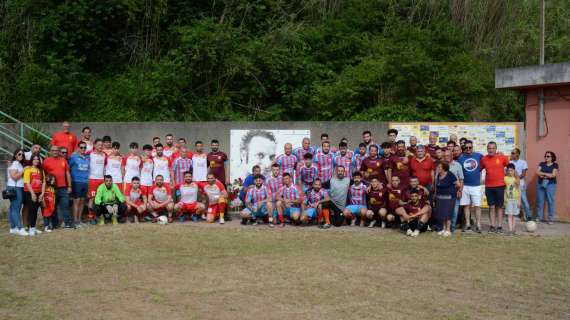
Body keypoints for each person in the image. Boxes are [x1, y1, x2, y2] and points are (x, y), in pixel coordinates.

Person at [481, 141, 509, 233]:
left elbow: (510, 167)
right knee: (491, 207)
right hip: (489, 187)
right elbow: (479, 169)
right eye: (489, 148)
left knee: (499, 207)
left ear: (496, 149)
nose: (491, 150)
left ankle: (500, 226)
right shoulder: (484, 159)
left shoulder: (502, 157)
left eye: (493, 148)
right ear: (487, 149)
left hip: (500, 186)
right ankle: (492, 226)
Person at [43, 145, 73, 228]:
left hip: (63, 187)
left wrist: (69, 186)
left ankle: (67, 224)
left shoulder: (63, 160)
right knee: (53, 207)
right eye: (53, 150)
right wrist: (45, 187)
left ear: (58, 151)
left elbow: (67, 173)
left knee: (65, 205)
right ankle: (54, 224)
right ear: (50, 151)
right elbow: (44, 174)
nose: (55, 152)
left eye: (56, 150)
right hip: (51, 188)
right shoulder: (46, 161)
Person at [458, 140, 483, 233]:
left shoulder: (479, 156)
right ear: (463, 148)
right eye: (466, 147)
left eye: (470, 147)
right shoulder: (461, 158)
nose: (468, 149)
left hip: (476, 186)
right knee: (466, 206)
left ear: (472, 147)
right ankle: (468, 224)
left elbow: (488, 159)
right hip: (465, 186)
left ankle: (478, 224)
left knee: (477, 206)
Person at [68, 141, 90, 227]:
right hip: (76, 182)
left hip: (85, 182)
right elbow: (68, 169)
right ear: (78, 148)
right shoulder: (73, 157)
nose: (83, 149)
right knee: (76, 202)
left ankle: (79, 220)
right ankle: (75, 221)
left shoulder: (87, 158)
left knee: (82, 202)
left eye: (84, 147)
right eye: (81, 147)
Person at [23, 154, 45, 236]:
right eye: (34, 159)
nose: (36, 160)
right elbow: (27, 182)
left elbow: (44, 182)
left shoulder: (41, 170)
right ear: (31, 160)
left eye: (37, 159)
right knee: (32, 210)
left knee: (35, 210)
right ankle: (31, 228)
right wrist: (32, 193)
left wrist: (42, 194)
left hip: (39, 192)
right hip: (30, 192)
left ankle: (33, 227)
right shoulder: (28, 169)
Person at [434, 162, 459, 237]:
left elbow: (458, 184)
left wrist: (454, 191)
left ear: (444, 168)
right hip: (440, 197)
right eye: (438, 167)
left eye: (439, 167)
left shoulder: (450, 174)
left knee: (448, 214)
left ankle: (448, 230)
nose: (438, 168)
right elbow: (437, 185)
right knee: (442, 214)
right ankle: (444, 229)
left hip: (449, 197)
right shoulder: (438, 175)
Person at [7, 149, 27, 235]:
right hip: (15, 188)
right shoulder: (15, 163)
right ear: (15, 155)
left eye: (22, 154)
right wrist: (23, 170)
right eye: (19, 154)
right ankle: (20, 228)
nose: (21, 156)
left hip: (17, 187)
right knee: (16, 208)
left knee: (13, 208)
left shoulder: (18, 164)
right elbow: (14, 177)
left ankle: (13, 227)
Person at [443, 148, 464, 232]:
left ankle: (452, 227)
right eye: (445, 156)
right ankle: (445, 228)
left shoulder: (457, 165)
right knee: (444, 211)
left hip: (454, 192)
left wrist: (460, 191)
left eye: (448, 155)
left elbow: (461, 179)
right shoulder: (441, 165)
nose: (447, 157)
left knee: (454, 212)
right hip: (443, 193)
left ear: (452, 156)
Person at [535, 151, 558, 224]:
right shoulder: (542, 164)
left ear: (552, 157)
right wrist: (547, 174)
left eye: (548, 156)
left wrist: (543, 174)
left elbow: (554, 175)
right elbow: (537, 172)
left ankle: (550, 219)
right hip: (540, 183)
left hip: (550, 184)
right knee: (540, 201)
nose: (546, 157)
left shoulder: (555, 165)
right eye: (545, 156)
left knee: (550, 201)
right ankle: (539, 217)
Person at [88, 139, 107, 224]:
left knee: (100, 198)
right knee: (92, 199)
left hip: (101, 179)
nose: (100, 146)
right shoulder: (90, 154)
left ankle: (98, 216)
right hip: (92, 179)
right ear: (94, 145)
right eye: (99, 144)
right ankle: (91, 216)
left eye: (102, 145)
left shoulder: (104, 155)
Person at [509, 148, 531, 221]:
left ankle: (529, 216)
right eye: (511, 153)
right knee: (512, 200)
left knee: (524, 200)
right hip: (511, 184)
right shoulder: (510, 162)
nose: (511, 154)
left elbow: (523, 174)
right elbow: (508, 173)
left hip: (520, 184)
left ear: (518, 154)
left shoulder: (523, 162)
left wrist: (516, 178)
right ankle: (513, 216)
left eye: (513, 153)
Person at [504, 164, 520, 235]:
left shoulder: (516, 179)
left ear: (514, 171)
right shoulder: (505, 178)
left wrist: (519, 201)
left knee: (514, 215)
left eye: (511, 170)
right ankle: (510, 230)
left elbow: (519, 190)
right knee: (509, 215)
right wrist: (505, 199)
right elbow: (504, 190)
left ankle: (513, 229)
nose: (510, 172)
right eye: (508, 170)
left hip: (516, 199)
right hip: (509, 200)